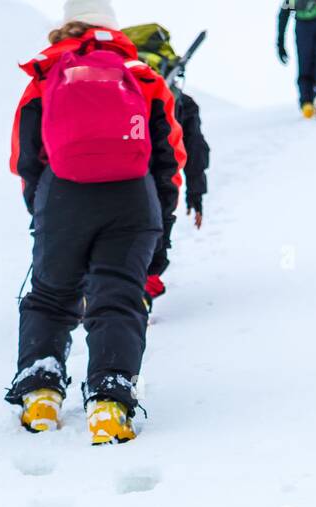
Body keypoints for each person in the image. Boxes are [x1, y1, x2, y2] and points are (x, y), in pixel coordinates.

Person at [6, 4, 186, 444]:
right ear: (112, 27)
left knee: (50, 295)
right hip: (131, 198)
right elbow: (170, 158)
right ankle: (109, 403)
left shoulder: (46, 76)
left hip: (64, 195)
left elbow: (25, 157)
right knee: (119, 296)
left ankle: (41, 393)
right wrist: (159, 221)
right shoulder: (141, 75)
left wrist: (42, 209)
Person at [122, 24, 210, 307]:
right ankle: (143, 288)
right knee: (154, 227)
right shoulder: (180, 102)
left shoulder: (118, 91)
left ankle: (102, 290)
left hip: (110, 176)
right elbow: (195, 151)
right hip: (160, 180)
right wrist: (195, 193)